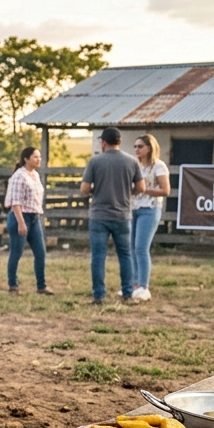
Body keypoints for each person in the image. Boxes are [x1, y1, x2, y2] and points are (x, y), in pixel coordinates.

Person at [81, 127, 145, 305]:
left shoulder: (95, 161)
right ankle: (127, 293)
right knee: (125, 255)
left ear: (103, 142)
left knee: (98, 256)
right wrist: (126, 192)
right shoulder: (132, 161)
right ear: (120, 142)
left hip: (99, 215)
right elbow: (141, 188)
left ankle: (99, 295)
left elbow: (84, 189)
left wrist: (97, 190)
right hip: (122, 214)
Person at [5, 146, 53, 295]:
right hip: (21, 216)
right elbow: (15, 202)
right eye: (35, 157)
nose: (39, 159)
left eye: (39, 157)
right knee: (16, 252)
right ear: (26, 159)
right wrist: (21, 222)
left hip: (34, 217)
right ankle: (13, 284)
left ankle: (41, 285)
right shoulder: (19, 176)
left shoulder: (35, 175)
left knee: (40, 253)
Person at [129, 134, 170, 302]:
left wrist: (144, 189)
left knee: (141, 247)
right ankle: (133, 284)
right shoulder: (134, 165)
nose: (137, 149)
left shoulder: (159, 166)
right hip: (133, 208)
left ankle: (143, 285)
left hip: (150, 208)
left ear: (149, 148)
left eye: (140, 146)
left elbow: (165, 190)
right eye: (135, 146)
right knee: (130, 247)